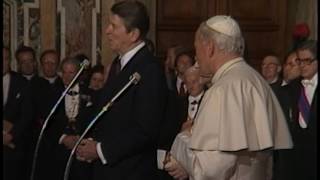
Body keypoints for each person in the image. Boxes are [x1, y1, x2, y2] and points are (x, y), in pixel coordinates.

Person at [164, 15, 293, 180]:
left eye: (197, 51)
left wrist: (183, 137)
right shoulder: (255, 79)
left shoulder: (222, 90)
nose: (196, 61)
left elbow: (209, 170)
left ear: (209, 47)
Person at [76, 1, 168, 180]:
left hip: (130, 172)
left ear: (133, 34)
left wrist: (100, 150)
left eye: (114, 26)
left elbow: (145, 130)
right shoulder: (119, 65)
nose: (107, 31)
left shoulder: (149, 70)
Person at [275, 40, 317, 180]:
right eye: (300, 61)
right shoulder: (291, 88)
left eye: (307, 61)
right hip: (294, 161)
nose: (303, 66)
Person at [3, 47, 33, 180]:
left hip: (14, 149)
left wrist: (11, 135)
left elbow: (27, 115)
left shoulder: (22, 82)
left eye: (5, 58)